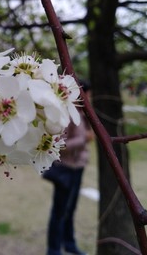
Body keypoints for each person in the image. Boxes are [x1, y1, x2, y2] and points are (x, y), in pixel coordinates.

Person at [43, 81, 94, 255]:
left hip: (77, 167)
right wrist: (84, 139)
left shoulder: (81, 113)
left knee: (70, 209)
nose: (90, 99)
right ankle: (53, 249)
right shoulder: (66, 113)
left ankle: (69, 243)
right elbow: (58, 144)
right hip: (65, 167)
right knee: (59, 211)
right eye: (88, 95)